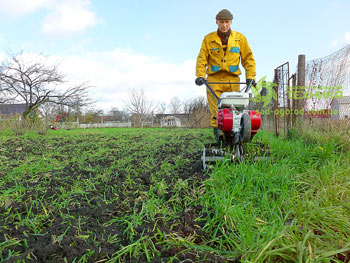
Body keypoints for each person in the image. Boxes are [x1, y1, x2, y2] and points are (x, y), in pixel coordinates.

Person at [195, 9, 256, 138]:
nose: (224, 25)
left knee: (235, 110)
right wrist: (200, 76)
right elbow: (202, 58)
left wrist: (250, 77)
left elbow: (248, 59)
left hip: (233, 80)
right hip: (213, 81)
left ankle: (235, 134)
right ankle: (219, 136)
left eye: (227, 22)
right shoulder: (208, 39)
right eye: (221, 22)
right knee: (217, 112)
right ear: (217, 22)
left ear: (231, 22)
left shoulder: (240, 39)